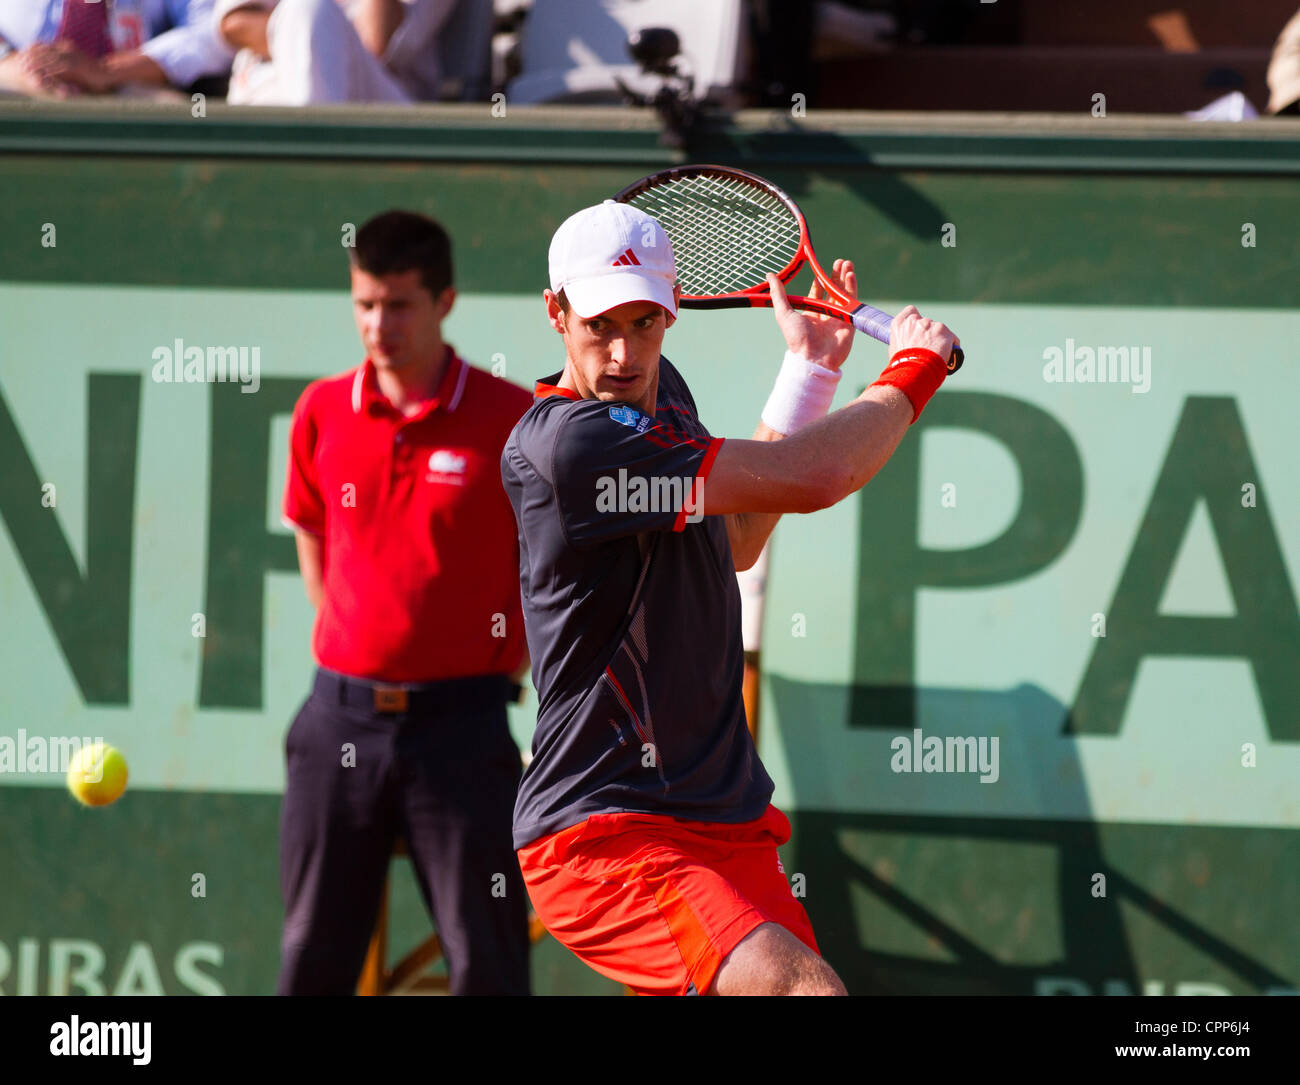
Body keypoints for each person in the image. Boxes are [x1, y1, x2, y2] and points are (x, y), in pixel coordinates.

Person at [502, 200, 959, 996]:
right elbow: (816, 478)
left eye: (645, 323)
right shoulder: (570, 445)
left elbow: (738, 536)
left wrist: (809, 374)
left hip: (721, 817)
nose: (622, 352)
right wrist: (913, 368)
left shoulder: (662, 394)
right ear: (556, 312)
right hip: (609, 832)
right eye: (601, 325)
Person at [280, 209, 532, 995]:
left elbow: (549, 565)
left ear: (445, 301)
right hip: (336, 727)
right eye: (363, 304)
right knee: (312, 961)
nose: (376, 325)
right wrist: (353, 642)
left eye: (398, 305)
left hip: (462, 734)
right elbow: (312, 528)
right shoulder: (321, 409)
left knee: (488, 967)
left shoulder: (511, 419)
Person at [214, 0, 465, 104]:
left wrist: (315, 29)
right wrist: (299, 36)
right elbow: (234, 24)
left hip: (378, 113)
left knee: (311, 9)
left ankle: (308, 173)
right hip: (265, 89)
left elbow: (374, 42)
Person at [0, 0, 232, 98]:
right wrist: (13, 64)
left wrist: (108, 71)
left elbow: (213, 31)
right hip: (17, 84)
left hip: (132, 91)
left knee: (184, 113)